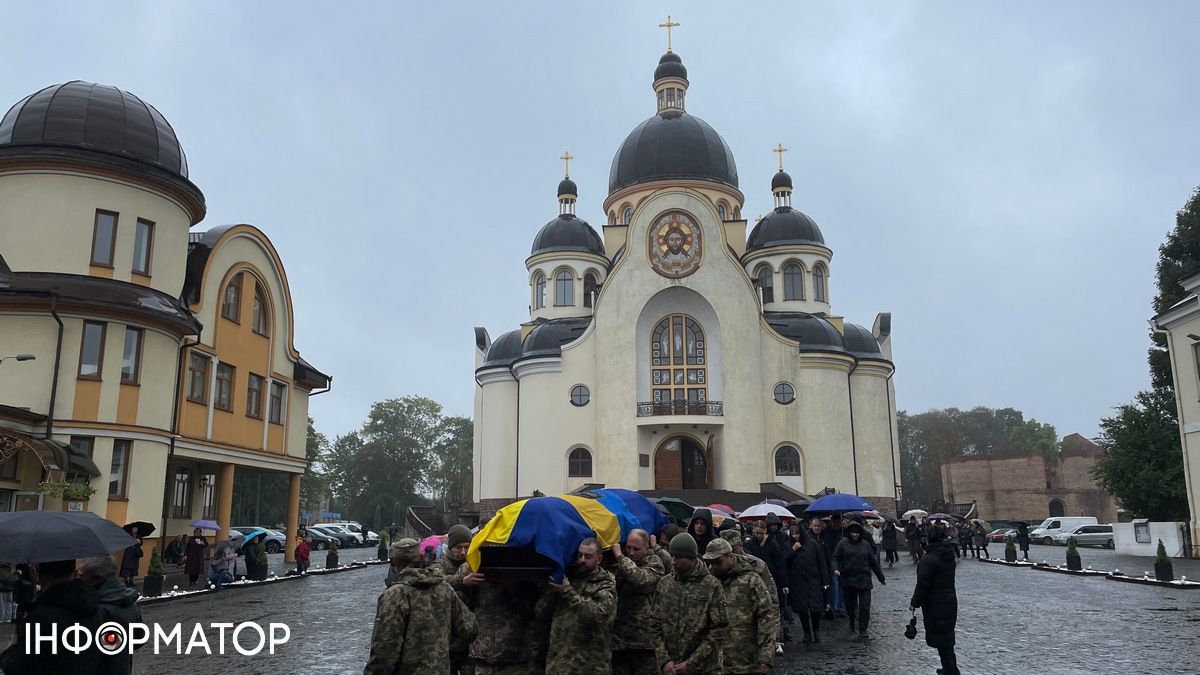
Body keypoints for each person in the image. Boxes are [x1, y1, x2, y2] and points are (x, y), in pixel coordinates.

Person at [365, 538, 478, 675]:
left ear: (393, 562)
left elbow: (385, 648)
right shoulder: (444, 589)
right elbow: (469, 629)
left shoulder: (394, 595)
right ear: (421, 558)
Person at [0, 559, 102, 674]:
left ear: (37, 574)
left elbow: (19, 666)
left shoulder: (41, 616)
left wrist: (12, 647)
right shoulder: (95, 611)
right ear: (74, 573)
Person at [534, 538, 617, 675]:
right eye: (579, 555)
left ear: (599, 559)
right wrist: (551, 589)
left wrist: (568, 592)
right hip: (560, 662)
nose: (582, 560)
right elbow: (540, 611)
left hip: (590, 665)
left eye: (588, 556)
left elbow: (597, 615)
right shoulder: (567, 577)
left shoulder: (605, 583)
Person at [651, 533, 728, 675]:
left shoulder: (710, 586)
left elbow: (718, 630)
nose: (673, 561)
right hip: (670, 668)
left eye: (679, 557)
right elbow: (655, 624)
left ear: (692, 558)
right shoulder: (665, 583)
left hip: (704, 668)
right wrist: (664, 660)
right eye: (672, 556)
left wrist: (692, 663)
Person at [704, 538, 774, 675]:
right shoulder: (708, 581)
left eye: (718, 562)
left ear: (730, 556)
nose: (713, 567)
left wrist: (766, 655)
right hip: (714, 659)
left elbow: (766, 616)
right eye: (710, 563)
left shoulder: (750, 579)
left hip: (745, 658)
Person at [456, 567, 540, 674]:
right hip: (483, 653)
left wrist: (512, 585)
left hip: (515, 655)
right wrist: (464, 583)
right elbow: (458, 606)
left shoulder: (522, 567)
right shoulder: (471, 565)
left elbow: (533, 610)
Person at [609, 529, 666, 675]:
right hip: (620, 638)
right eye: (628, 548)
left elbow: (640, 580)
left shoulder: (655, 563)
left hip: (643, 641)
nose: (631, 552)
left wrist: (620, 557)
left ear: (647, 548)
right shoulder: (623, 565)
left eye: (636, 549)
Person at [79, 556, 142, 675]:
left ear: (96, 579)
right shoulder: (129, 600)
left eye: (81, 576)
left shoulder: (99, 609)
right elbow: (138, 639)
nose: (78, 580)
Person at [910, 525, 960, 675]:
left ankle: (950, 671)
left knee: (942, 641)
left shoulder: (928, 560)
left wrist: (914, 602)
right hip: (950, 601)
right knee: (947, 638)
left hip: (935, 604)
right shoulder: (948, 556)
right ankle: (951, 668)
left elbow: (923, 585)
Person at [832, 522, 886, 640]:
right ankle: (852, 620)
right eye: (853, 533)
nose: (855, 535)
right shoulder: (843, 544)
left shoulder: (866, 545)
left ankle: (863, 629)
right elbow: (835, 558)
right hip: (848, 579)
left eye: (857, 533)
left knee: (865, 606)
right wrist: (836, 568)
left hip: (864, 579)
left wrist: (880, 577)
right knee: (850, 606)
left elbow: (873, 562)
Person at [784, 523, 830, 644]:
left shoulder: (813, 544)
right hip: (798, 582)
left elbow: (821, 562)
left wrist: (825, 580)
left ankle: (816, 631)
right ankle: (807, 633)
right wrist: (792, 550)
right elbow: (783, 562)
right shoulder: (788, 545)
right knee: (802, 609)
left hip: (813, 580)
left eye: (797, 533)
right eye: (792, 534)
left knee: (815, 608)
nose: (795, 536)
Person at [441, 524, 474, 674]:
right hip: (448, 640)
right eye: (458, 547)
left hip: (470, 640)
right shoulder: (441, 564)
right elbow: (436, 580)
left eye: (467, 547)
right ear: (450, 547)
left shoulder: (474, 564)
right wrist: (461, 581)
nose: (463, 552)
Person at [815, 516, 845, 619]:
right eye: (835, 521)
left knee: (841, 586)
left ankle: (840, 607)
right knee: (834, 586)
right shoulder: (827, 532)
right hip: (832, 562)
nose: (836, 523)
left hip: (842, 561)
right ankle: (834, 608)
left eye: (838, 521)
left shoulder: (843, 531)